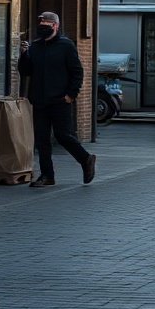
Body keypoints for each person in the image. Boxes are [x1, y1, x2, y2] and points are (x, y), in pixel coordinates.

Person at [18, 11, 97, 187]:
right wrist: (24, 54)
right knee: (42, 139)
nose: (42, 25)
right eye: (40, 22)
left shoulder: (66, 45)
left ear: (55, 25)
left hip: (60, 100)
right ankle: (47, 176)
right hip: (39, 99)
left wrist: (71, 94)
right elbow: (26, 71)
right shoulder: (36, 46)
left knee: (63, 136)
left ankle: (86, 159)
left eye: (46, 22)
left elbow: (77, 72)